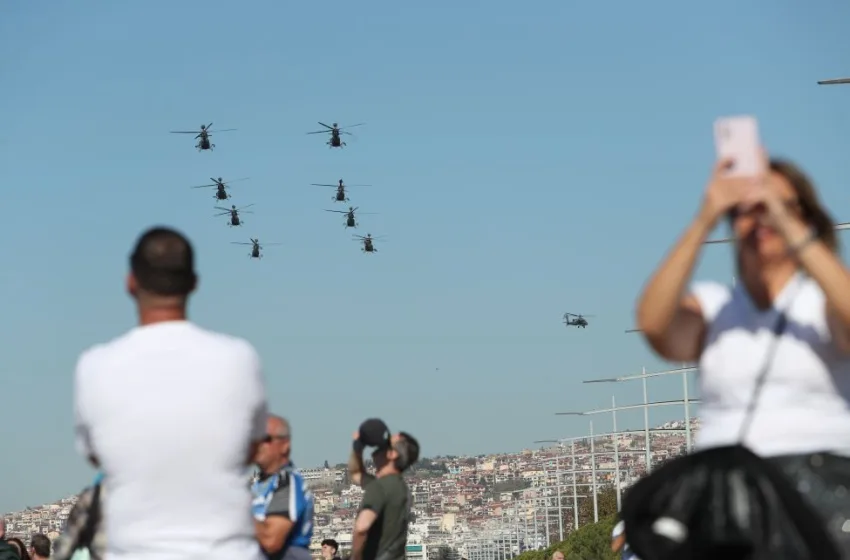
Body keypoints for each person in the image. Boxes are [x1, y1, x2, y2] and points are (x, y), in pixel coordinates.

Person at [636, 155, 850, 552]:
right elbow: (655, 325)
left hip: (818, 503)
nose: (762, 218)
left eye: (778, 205)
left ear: (805, 217)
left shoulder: (820, 302)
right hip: (730, 506)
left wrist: (787, 223)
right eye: (746, 211)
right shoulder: (716, 306)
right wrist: (705, 217)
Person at [73, 226, 268, 560]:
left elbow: (96, 455)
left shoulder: (95, 367)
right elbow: (252, 447)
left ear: (131, 283)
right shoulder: (239, 359)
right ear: (194, 283)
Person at [347, 420, 419, 560]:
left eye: (386, 444)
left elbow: (362, 527)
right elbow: (356, 473)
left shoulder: (380, 487)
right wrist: (357, 448)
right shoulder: (398, 487)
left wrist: (355, 557)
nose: (380, 445)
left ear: (392, 455)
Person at [251, 415, 314, 560]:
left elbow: (271, 541)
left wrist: (235, 509)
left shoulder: (287, 482)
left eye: (265, 439)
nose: (258, 444)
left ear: (285, 445)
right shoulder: (256, 485)